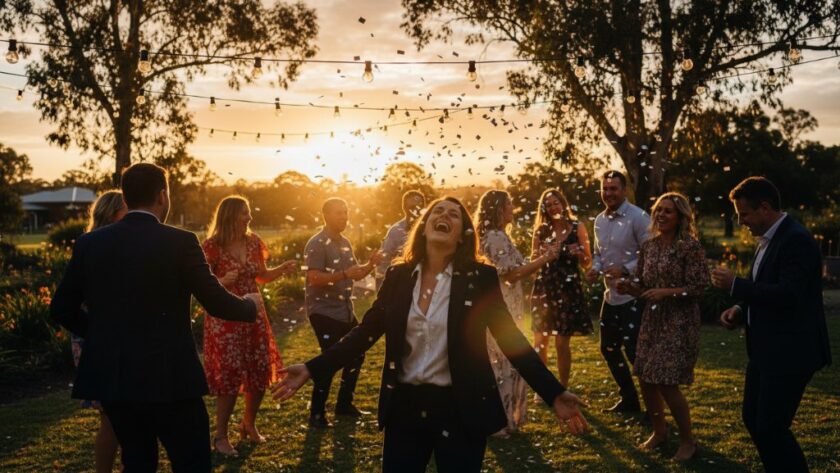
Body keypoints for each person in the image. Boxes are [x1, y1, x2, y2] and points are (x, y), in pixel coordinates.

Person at [273, 197, 589, 473]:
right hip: (405, 408)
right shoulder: (398, 276)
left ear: (464, 233)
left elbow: (511, 339)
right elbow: (365, 332)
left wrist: (553, 392)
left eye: (454, 214)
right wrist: (314, 368)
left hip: (461, 408)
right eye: (437, 212)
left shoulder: (480, 278)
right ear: (424, 227)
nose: (444, 216)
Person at [50, 162, 259, 473]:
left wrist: (101, 336)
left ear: (127, 196)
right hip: (170, 376)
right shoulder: (180, 241)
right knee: (191, 461)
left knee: (137, 461)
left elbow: (61, 309)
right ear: (163, 196)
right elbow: (215, 302)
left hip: (117, 379)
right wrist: (250, 306)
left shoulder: (90, 243)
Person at [711, 177, 831, 473]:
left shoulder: (796, 240)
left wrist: (736, 285)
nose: (742, 222)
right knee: (753, 419)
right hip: (765, 350)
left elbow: (790, 294)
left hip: (791, 350)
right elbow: (765, 287)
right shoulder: (767, 239)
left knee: (771, 427)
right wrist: (740, 309)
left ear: (764, 208)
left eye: (745, 215)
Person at [201, 196, 297, 456]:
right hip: (224, 318)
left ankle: (248, 424)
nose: (250, 217)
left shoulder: (254, 242)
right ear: (230, 216)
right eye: (245, 213)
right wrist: (222, 281)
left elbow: (262, 276)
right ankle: (220, 436)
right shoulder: (211, 246)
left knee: (258, 368)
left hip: (253, 313)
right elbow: (201, 287)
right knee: (230, 376)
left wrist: (282, 269)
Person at [616, 192, 709, 462]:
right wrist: (629, 287)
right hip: (652, 320)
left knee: (667, 383)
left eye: (668, 211)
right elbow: (645, 288)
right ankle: (659, 432)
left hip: (679, 322)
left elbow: (699, 287)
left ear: (681, 216)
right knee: (646, 378)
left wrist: (666, 292)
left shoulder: (689, 247)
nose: (661, 215)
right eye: (658, 210)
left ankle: (688, 442)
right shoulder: (649, 246)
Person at [474, 190, 561, 436]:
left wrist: (541, 256)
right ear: (499, 209)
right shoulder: (496, 237)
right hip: (504, 305)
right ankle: (501, 422)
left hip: (503, 304)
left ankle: (504, 419)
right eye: (509, 204)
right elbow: (511, 274)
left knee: (504, 361)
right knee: (504, 362)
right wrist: (546, 258)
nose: (513, 208)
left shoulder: (495, 236)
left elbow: (519, 268)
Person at [303, 197, 383, 428]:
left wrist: (371, 264)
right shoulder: (317, 243)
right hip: (323, 311)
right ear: (325, 215)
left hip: (344, 310)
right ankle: (316, 414)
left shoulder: (345, 242)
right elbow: (314, 278)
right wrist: (344, 275)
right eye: (339, 213)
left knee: (357, 353)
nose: (344, 217)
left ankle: (344, 404)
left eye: (346, 212)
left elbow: (355, 273)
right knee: (330, 358)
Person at [69, 190, 126, 473]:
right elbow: (69, 303)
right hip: (97, 341)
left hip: (111, 340)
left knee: (124, 418)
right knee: (113, 420)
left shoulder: (95, 245)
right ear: (114, 214)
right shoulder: (94, 248)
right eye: (127, 211)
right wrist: (95, 332)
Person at [584, 170, 650, 413]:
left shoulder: (639, 217)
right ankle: (629, 400)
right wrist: (595, 269)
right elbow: (600, 254)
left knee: (635, 353)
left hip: (633, 295)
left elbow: (650, 253)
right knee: (608, 349)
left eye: (613, 188)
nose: (608, 193)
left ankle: (653, 409)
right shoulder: (599, 220)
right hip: (610, 297)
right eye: (605, 189)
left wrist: (625, 268)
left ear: (624, 190)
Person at [529, 188, 593, 388]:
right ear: (544, 209)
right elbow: (532, 263)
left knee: (561, 343)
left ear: (563, 203)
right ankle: (544, 388)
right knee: (540, 341)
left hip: (567, 291)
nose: (553, 207)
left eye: (556, 203)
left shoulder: (577, 227)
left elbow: (587, 262)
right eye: (548, 205)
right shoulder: (541, 230)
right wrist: (542, 254)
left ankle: (562, 387)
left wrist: (579, 254)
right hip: (544, 289)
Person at [376, 190, 426, 288]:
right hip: (401, 284)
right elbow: (383, 262)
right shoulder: (395, 231)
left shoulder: (431, 229)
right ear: (404, 208)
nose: (415, 211)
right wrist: (382, 291)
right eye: (411, 208)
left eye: (418, 207)